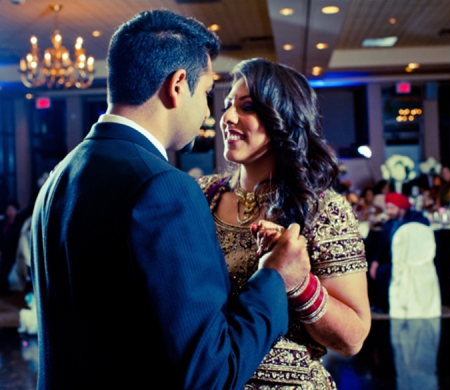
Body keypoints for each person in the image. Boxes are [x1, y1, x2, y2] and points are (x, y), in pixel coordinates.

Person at [31, 11, 310, 390]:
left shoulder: (59, 178)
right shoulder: (164, 187)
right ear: (178, 85)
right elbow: (210, 373)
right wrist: (276, 276)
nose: (209, 112)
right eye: (208, 93)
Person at [198, 58, 371, 389]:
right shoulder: (202, 195)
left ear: (284, 117)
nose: (228, 118)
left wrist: (297, 283)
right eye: (228, 105)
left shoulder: (323, 209)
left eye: (247, 106)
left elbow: (352, 339)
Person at [369, 192, 429, 313]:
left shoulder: (415, 218)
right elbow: (382, 247)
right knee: (378, 271)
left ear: (401, 208)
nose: (389, 211)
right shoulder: (388, 224)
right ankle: (383, 305)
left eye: (392, 208)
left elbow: (424, 228)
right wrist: (375, 262)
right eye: (388, 208)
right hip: (392, 261)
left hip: (410, 261)